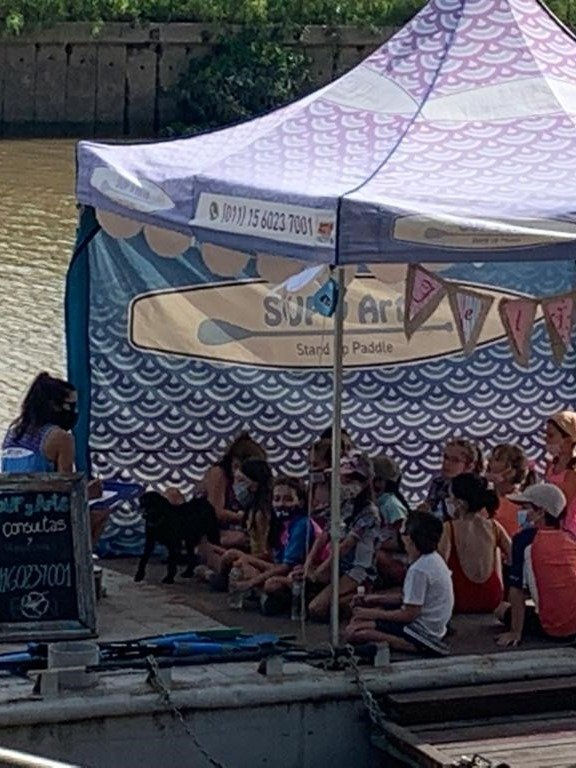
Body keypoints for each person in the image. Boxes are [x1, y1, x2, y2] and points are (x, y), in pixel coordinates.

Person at [2, 372, 106, 542]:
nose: (74, 412)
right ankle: (80, 558)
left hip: (9, 517)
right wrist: (89, 492)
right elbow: (66, 493)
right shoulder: (61, 438)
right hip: (43, 520)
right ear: (54, 406)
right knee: (101, 513)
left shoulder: (13, 432)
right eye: (70, 406)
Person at [345, 511, 454, 655]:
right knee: (359, 620)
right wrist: (373, 599)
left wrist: (372, 613)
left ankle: (410, 645)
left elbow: (409, 614)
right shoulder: (432, 560)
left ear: (410, 538)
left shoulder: (419, 569)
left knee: (354, 632)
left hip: (422, 630)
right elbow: (408, 598)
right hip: (429, 624)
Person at [497, 484, 576, 646]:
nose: (521, 512)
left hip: (555, 628)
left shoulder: (524, 541)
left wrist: (515, 632)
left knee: (501, 610)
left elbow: (516, 589)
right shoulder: (569, 538)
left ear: (540, 512)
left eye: (525, 508)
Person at [307, 453, 381, 621]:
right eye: (342, 478)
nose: (344, 482)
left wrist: (320, 569)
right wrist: (308, 563)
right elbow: (324, 535)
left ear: (365, 481)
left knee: (316, 608)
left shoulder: (369, 512)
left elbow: (346, 546)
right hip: (339, 565)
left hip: (358, 569)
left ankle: (366, 597)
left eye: (350, 479)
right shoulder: (343, 504)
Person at [227, 476, 318, 610]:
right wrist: (247, 560)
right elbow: (272, 556)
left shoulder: (302, 524)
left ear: (300, 502)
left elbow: (286, 567)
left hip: (298, 574)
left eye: (288, 499)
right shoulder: (279, 523)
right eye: (277, 499)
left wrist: (251, 582)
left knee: (271, 584)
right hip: (278, 567)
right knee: (240, 562)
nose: (281, 504)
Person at [438, 473, 510, 614]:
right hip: (492, 596)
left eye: (450, 497)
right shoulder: (494, 526)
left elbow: (439, 567)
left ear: (460, 503)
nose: (448, 501)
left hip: (460, 598)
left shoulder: (448, 528)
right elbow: (515, 554)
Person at [199, 457, 274, 584]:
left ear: (254, 485)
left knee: (231, 559)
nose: (236, 486)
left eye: (241, 481)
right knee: (208, 549)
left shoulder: (261, 514)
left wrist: (242, 556)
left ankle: (217, 577)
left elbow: (267, 553)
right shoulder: (251, 510)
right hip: (252, 556)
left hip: (263, 561)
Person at [195, 432, 266, 549]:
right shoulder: (219, 473)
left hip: (234, 529)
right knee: (240, 538)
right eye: (236, 466)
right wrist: (243, 517)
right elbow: (214, 511)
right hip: (208, 529)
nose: (238, 472)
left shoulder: (254, 482)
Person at [422, 438, 484, 520]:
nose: (447, 463)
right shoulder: (438, 483)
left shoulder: (476, 489)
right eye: (446, 457)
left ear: (469, 466)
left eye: (455, 460)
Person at [373, 456, 410, 587]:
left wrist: (375, 544)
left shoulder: (391, 504)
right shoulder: (377, 503)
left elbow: (403, 540)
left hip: (397, 558)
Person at [486, 444, 535, 538]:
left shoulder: (522, 504)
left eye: (497, 459)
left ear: (511, 470)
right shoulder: (484, 495)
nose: (489, 460)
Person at [544, 411, 576, 537]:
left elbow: (564, 505)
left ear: (568, 440)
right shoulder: (551, 466)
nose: (546, 439)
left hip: (569, 530)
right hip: (553, 525)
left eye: (551, 435)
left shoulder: (572, 473)